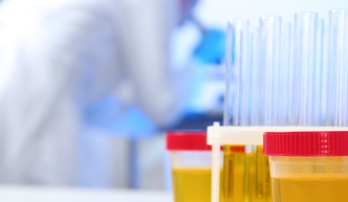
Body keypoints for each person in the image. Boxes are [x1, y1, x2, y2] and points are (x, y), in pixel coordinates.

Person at [0, 0, 199, 186]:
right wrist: (198, 61)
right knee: (45, 200)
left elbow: (102, 108)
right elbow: (160, 106)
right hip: (37, 81)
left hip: (18, 65)